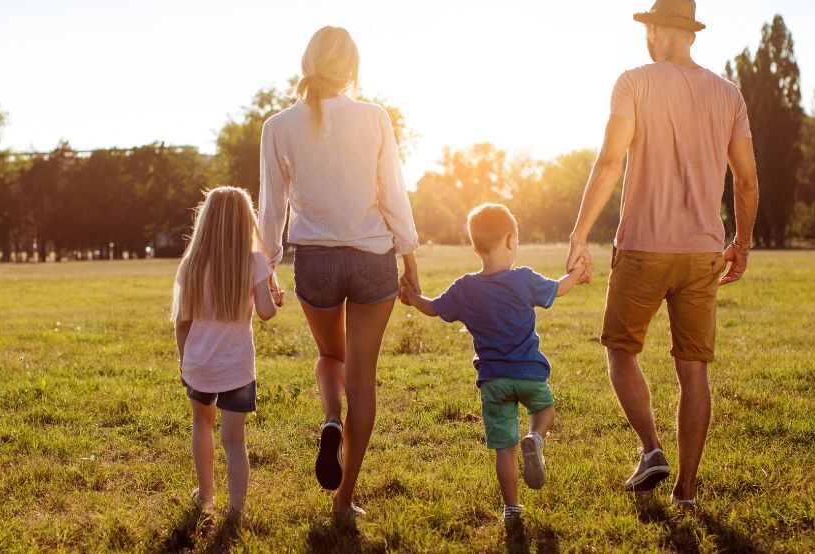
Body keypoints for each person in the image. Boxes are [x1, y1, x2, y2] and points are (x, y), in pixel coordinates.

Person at [563, 0, 760, 511]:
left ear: (655, 32)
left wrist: (579, 235)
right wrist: (741, 242)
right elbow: (747, 180)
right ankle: (687, 492)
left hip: (643, 247)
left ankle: (652, 448)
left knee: (620, 349)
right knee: (693, 370)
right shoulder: (729, 94)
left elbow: (609, 163)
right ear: (690, 33)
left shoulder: (634, 82)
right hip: (702, 253)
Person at [258, 26, 420, 519]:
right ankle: (345, 499)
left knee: (332, 356)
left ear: (308, 63)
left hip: (316, 260)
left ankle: (331, 420)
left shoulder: (277, 125)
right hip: (373, 258)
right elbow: (393, 192)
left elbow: (272, 206)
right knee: (363, 379)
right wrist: (409, 256)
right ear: (351, 67)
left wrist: (266, 265)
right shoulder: (374, 117)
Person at [399, 203, 581, 524]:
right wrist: (578, 273)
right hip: (529, 374)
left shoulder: (465, 288)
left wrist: (412, 297)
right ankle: (536, 439)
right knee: (544, 411)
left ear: (475, 247)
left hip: (493, 380)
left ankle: (511, 509)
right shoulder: (523, 279)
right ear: (511, 240)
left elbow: (432, 308)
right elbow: (559, 288)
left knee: (505, 449)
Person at [172, 186, 280, 518]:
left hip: (200, 364)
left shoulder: (191, 264)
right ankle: (236, 510)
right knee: (234, 440)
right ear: (246, 221)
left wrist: (183, 361)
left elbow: (181, 321)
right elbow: (266, 312)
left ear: (207, 219)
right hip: (237, 368)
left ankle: (205, 498)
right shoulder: (254, 261)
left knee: (201, 425)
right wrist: (273, 295)